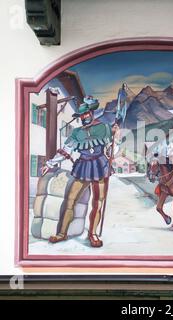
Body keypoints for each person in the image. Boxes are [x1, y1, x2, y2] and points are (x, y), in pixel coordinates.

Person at [41, 96, 119, 247]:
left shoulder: (104, 127)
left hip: (100, 165)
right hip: (82, 165)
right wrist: (50, 163)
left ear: (91, 113)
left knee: (98, 202)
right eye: (81, 115)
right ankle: (62, 233)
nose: (84, 117)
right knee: (70, 200)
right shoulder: (76, 133)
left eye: (86, 114)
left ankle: (93, 234)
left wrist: (116, 137)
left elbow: (111, 151)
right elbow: (66, 150)